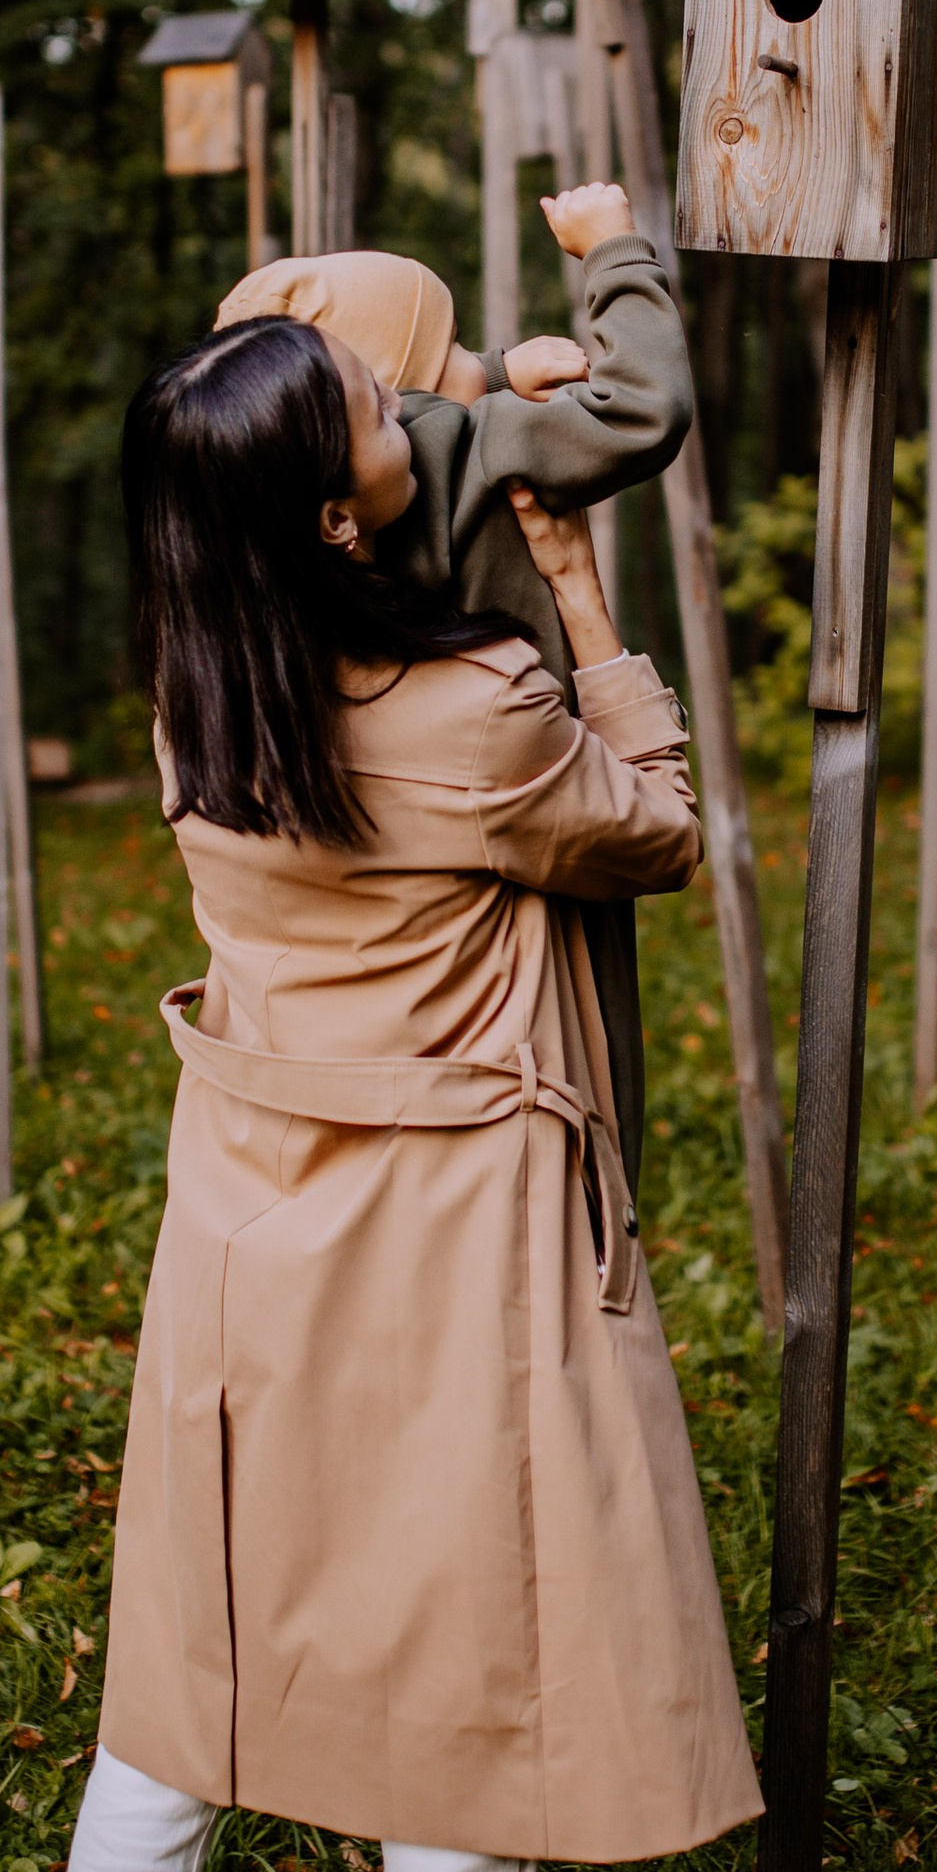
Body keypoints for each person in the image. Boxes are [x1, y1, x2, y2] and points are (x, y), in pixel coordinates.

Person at [0, 315, 757, 1872]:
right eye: (364, 409)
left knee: (177, 1696)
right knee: (458, 1723)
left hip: (250, 1227)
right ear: (339, 509)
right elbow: (656, 831)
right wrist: (585, 597)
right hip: (446, 1248)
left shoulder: (196, 696)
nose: (396, 396)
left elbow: (293, 460)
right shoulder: (483, 718)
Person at [217, 184, 692, 1194]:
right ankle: (598, 1202)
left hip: (408, 806)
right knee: (588, 1017)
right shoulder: (487, 447)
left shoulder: (295, 503)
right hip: (546, 770)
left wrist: (493, 371)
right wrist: (613, 252)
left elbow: (423, 397)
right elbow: (644, 406)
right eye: (451, 343)